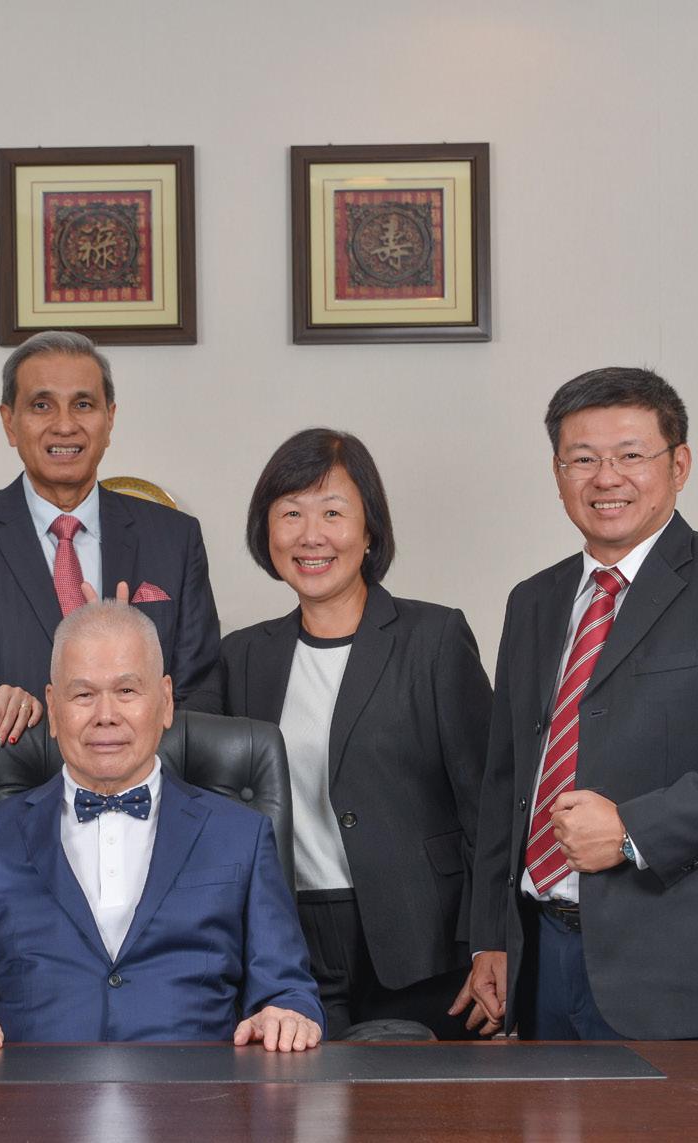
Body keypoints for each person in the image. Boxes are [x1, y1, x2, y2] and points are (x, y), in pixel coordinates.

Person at [464, 367, 698, 1041]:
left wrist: (632, 829)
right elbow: (506, 779)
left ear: (678, 465)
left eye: (630, 455)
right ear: (557, 472)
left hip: (681, 972)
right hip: (540, 959)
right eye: (582, 459)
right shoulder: (533, 600)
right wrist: (490, 934)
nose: (606, 478)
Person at [0, 600, 324, 1052]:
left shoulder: (241, 835)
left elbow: (289, 990)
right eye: (83, 695)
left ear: (165, 701)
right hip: (29, 1091)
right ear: (53, 709)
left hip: (196, 1091)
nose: (106, 714)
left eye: (126, 690)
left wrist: (287, 1014)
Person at [216, 428, 491, 1040]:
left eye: (333, 513)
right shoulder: (241, 657)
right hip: (291, 944)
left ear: (369, 532)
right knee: (304, 1099)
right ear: (267, 531)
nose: (310, 535)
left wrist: (490, 942)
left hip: (426, 941)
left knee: (421, 1102)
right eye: (291, 513)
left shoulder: (434, 639)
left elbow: (487, 803)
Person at [0, 330, 221, 742]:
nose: (65, 425)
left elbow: (200, 702)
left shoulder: (175, 537)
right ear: (9, 422)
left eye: (83, 404)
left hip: (149, 781)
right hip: (8, 781)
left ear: (109, 419)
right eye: (42, 405)